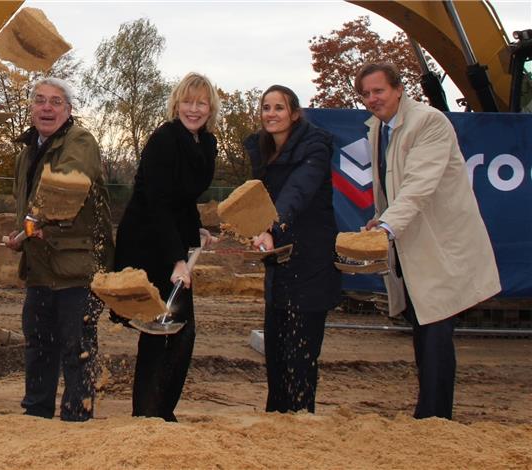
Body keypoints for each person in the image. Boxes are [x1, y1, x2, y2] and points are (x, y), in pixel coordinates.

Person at [355, 62, 501, 419]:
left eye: (379, 91)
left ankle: (434, 417)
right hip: (411, 243)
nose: (373, 99)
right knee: (422, 327)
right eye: (366, 94)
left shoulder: (429, 122)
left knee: (435, 329)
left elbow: (420, 185)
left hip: (439, 245)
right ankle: (429, 414)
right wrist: (381, 217)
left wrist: (387, 225)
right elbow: (392, 186)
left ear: (398, 89)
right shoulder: (379, 129)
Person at [5, 77, 114, 422]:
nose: (47, 108)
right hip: (39, 267)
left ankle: (77, 417)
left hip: (76, 266)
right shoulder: (26, 154)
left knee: (77, 346)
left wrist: (31, 222)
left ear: (68, 110)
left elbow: (68, 182)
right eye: (40, 100)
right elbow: (28, 209)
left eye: (56, 102)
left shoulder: (80, 141)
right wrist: (22, 234)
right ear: (31, 108)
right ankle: (36, 414)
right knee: (38, 344)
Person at [113, 72, 220, 422]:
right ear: (176, 104)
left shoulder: (205, 143)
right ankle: (150, 414)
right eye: (187, 101)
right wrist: (177, 260)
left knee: (178, 332)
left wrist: (196, 228)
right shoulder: (164, 139)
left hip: (173, 236)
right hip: (148, 241)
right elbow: (158, 202)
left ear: (210, 108)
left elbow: (183, 199)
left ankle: (158, 412)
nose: (194, 109)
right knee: (163, 329)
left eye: (201, 103)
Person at [242, 85, 341, 413]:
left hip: (311, 260)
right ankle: (276, 418)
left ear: (295, 114)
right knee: (276, 348)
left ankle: (301, 417)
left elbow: (297, 191)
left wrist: (272, 227)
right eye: (266, 107)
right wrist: (254, 227)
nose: (271, 114)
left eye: (279, 107)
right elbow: (260, 199)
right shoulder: (263, 149)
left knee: (301, 352)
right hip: (279, 261)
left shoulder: (315, 147)